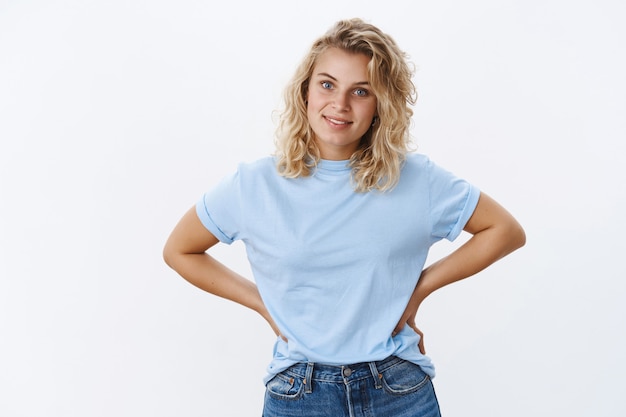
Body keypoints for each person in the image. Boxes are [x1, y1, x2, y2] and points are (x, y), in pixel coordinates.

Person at [163, 18, 525, 417]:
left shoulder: (416, 180)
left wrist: (418, 291)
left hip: (398, 390)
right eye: (327, 84)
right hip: (298, 393)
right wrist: (264, 305)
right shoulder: (254, 185)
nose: (340, 104)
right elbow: (180, 250)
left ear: (380, 104)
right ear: (305, 91)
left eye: (361, 91)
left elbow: (505, 231)